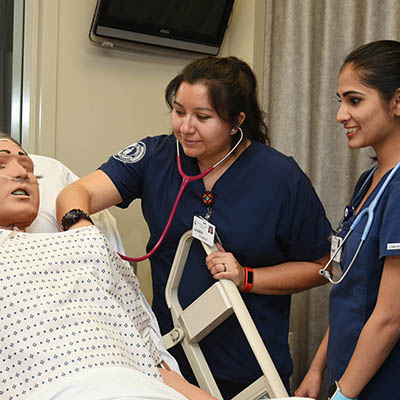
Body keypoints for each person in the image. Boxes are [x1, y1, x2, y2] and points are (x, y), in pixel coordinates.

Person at [56, 56, 332, 398]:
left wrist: (248, 277)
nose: (185, 127)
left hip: (250, 366)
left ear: (236, 122)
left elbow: (323, 265)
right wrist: (80, 228)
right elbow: (75, 192)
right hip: (170, 363)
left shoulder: (280, 178)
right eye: (179, 111)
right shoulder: (156, 156)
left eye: (202, 117)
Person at [0, 133, 217, 400]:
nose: (21, 173)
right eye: (1, 165)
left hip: (136, 385)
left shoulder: (87, 244)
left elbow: (146, 349)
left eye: (29, 168)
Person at [295, 40, 400, 400]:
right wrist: (316, 369)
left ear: (397, 101)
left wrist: (342, 396)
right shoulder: (367, 184)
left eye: (354, 100)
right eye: (341, 101)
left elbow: (389, 318)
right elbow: (349, 288)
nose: (341, 114)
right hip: (347, 378)